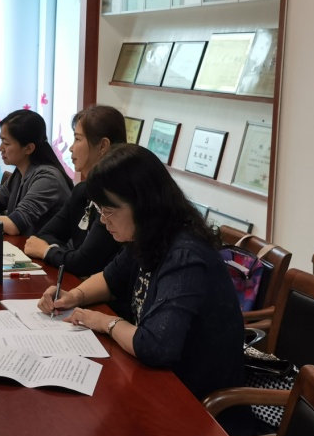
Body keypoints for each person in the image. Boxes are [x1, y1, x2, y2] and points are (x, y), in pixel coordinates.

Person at [37, 143, 244, 401]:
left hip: (194, 399)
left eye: (109, 211)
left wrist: (104, 322)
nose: (103, 221)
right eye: (100, 211)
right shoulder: (149, 236)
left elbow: (155, 346)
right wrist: (74, 296)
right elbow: (111, 278)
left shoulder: (184, 256)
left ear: (142, 204)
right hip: (156, 380)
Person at [24, 105, 126, 279]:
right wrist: (69, 257)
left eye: (78, 139)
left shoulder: (116, 196)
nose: (71, 148)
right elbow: (45, 235)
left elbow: (84, 263)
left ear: (102, 146)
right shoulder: (82, 190)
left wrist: (49, 252)